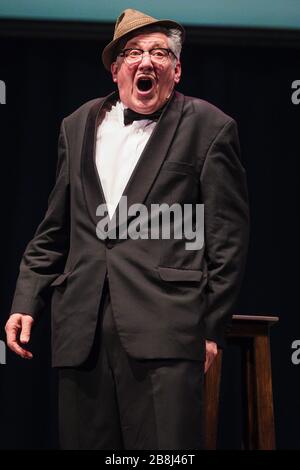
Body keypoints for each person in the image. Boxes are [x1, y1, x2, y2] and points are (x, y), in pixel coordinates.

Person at [5, 8, 249, 450]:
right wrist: (26, 299)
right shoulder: (76, 126)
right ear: (116, 69)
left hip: (167, 330)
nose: (146, 61)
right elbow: (54, 227)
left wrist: (212, 328)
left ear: (176, 70)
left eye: (159, 52)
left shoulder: (210, 126)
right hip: (82, 329)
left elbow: (227, 239)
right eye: (133, 52)